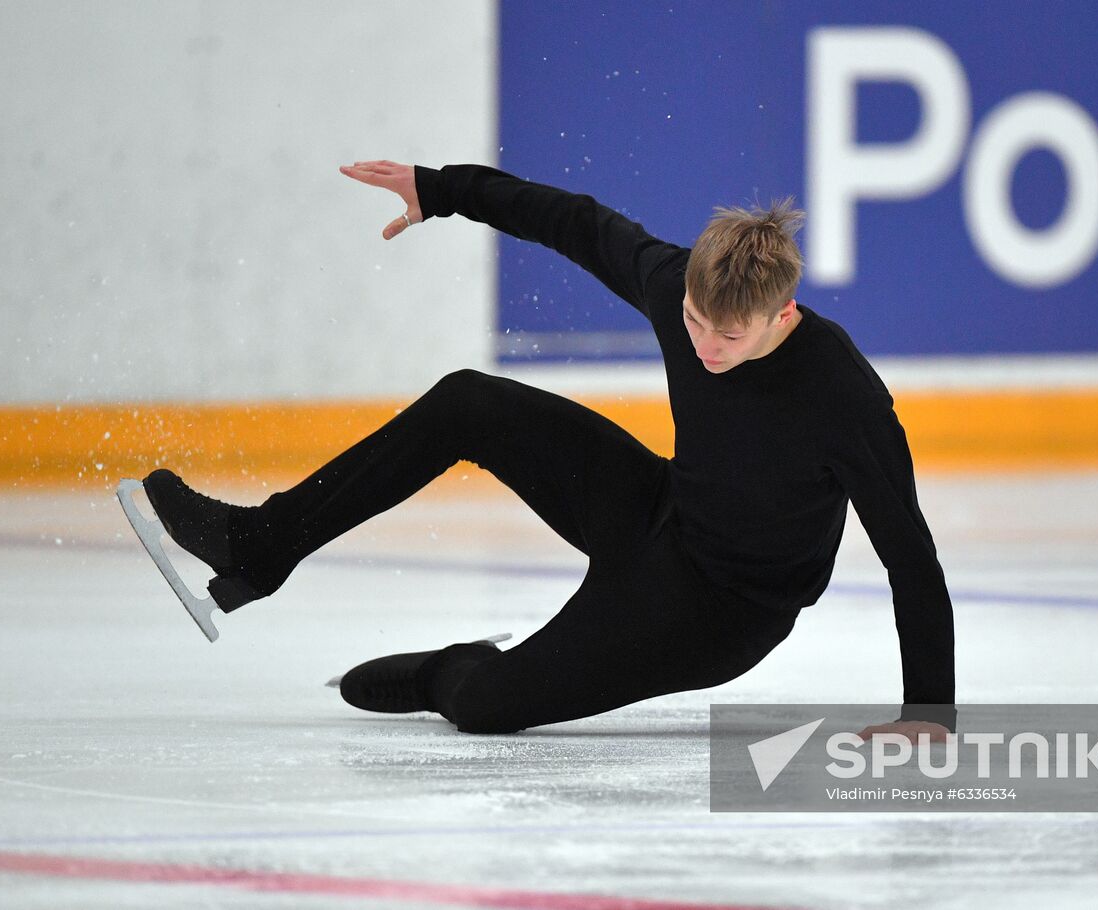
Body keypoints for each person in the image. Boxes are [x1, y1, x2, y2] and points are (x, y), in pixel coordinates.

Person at [139, 159, 955, 740]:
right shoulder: (678, 288)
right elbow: (579, 223)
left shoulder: (842, 396)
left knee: (486, 707)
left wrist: (929, 714)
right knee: (469, 401)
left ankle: (450, 669)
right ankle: (260, 545)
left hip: (720, 614)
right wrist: (443, 191)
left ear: (782, 316)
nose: (703, 345)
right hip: (660, 509)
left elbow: (910, 557)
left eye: (728, 336)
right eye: (694, 323)